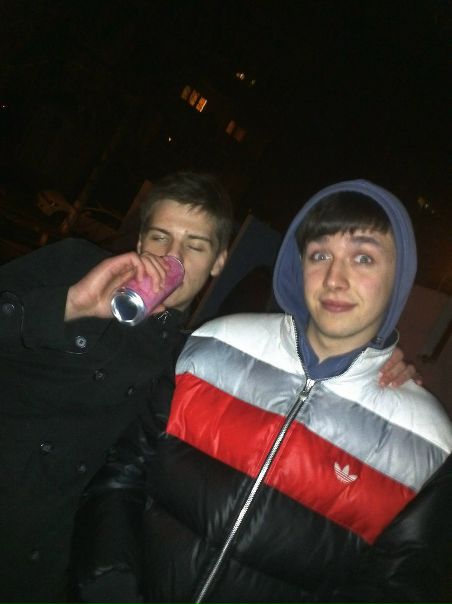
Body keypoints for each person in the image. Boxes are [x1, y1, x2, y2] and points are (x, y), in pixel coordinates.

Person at [71, 179, 447, 604]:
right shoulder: (212, 348)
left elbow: (399, 586)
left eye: (363, 258)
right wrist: (111, 585)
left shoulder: (428, 440)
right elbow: (123, 471)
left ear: (399, 276)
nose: (335, 279)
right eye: (320, 255)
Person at [0, 170, 234, 603]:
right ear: (141, 241)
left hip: (39, 568)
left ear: (218, 261)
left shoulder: (189, 362)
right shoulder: (74, 264)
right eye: (160, 237)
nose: (172, 256)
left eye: (195, 245)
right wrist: (69, 304)